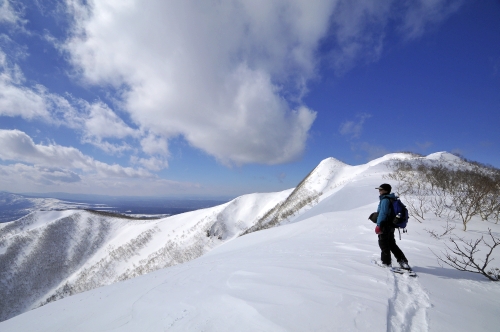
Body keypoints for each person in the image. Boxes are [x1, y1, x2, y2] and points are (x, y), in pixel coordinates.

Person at [375, 184, 410, 269]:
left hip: (384, 225)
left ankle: (386, 263)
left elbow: (383, 213)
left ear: (386, 190)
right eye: (379, 190)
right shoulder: (392, 198)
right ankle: (403, 261)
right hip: (391, 225)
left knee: (383, 244)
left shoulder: (385, 200)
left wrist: (378, 225)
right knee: (391, 244)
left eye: (381, 190)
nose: (379, 191)